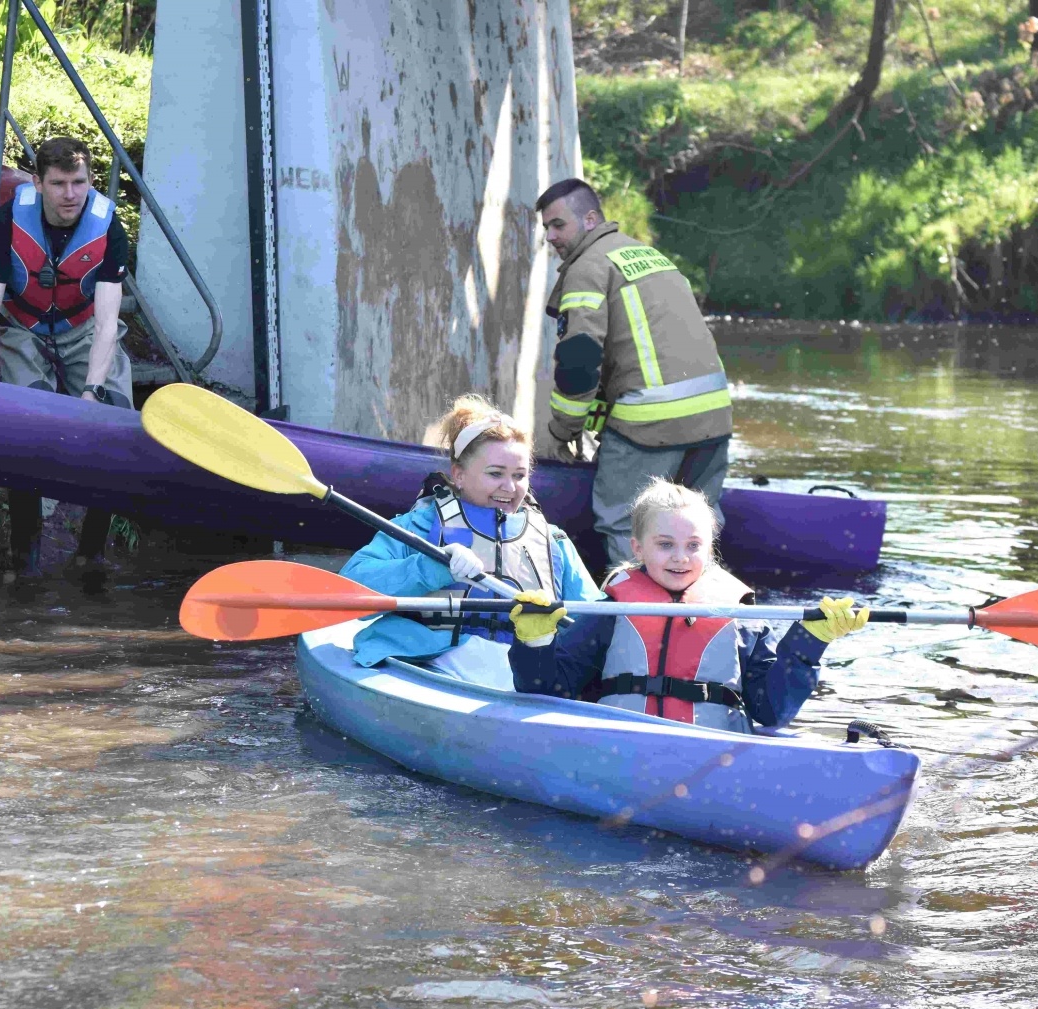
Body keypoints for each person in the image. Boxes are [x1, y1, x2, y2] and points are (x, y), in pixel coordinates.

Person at [506, 478, 868, 733]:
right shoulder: (610, 613)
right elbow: (548, 692)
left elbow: (771, 711)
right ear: (637, 548)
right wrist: (535, 644)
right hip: (619, 746)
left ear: (709, 548)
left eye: (693, 545)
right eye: (665, 544)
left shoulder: (742, 618)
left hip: (709, 755)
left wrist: (808, 643)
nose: (680, 558)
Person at [340, 395, 604, 689]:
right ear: (459, 474)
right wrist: (431, 566)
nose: (510, 487)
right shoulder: (420, 525)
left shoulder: (553, 540)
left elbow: (595, 621)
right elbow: (348, 590)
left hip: (528, 676)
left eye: (520, 475)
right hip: (431, 665)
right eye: (495, 474)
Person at [536, 176, 734, 567]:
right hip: (714, 417)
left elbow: (579, 361)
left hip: (651, 423)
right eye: (545, 228)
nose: (550, 237)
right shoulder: (648, 255)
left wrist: (563, 432)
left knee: (625, 526)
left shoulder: (587, 268)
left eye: (558, 225)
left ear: (590, 219)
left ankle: (633, 619)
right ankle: (699, 616)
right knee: (697, 528)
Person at [0, 135, 135, 582]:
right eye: (60, 183)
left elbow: (106, 325)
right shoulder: (7, 222)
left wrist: (90, 393)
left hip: (83, 329)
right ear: (39, 183)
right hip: (25, 328)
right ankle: (24, 561)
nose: (70, 194)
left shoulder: (108, 229)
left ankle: (91, 555)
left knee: (116, 423)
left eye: (79, 182)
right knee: (27, 429)